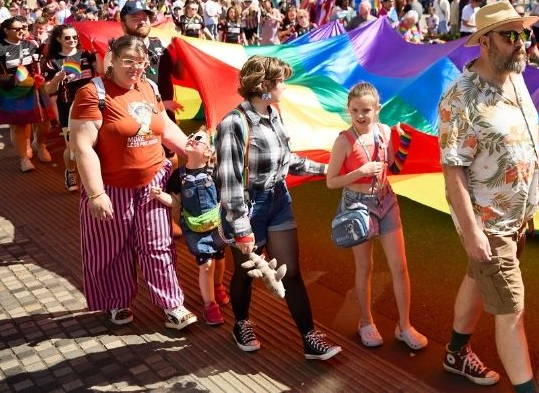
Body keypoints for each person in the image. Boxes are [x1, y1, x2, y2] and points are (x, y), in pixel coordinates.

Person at [438, 1, 539, 391]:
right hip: (489, 222)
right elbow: (454, 173)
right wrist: (474, 233)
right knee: (511, 310)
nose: (521, 43)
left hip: (519, 218)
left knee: (477, 282)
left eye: (524, 34)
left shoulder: (514, 78)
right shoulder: (460, 98)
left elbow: (521, 127)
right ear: (483, 41)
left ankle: (455, 353)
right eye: (509, 34)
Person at [215, 55, 341, 359]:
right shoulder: (233, 123)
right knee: (246, 273)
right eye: (281, 80)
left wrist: (328, 169)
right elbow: (229, 181)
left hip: (278, 200)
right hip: (246, 208)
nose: (285, 86)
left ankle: (310, 338)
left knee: (291, 271)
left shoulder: (274, 114)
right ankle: (242, 323)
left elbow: (289, 161)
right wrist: (242, 230)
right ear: (265, 85)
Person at [68, 35, 197, 330]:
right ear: (111, 59)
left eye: (142, 62)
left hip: (153, 181)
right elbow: (83, 147)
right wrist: (96, 193)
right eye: (129, 61)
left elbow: (165, 128)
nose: (136, 68)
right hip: (111, 186)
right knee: (111, 248)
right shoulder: (92, 93)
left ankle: (171, 303)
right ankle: (117, 301)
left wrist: (191, 151)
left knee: (158, 244)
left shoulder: (149, 88)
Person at [325, 82, 428, 351]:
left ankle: (404, 325)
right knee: (365, 267)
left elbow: (392, 166)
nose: (361, 115)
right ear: (348, 109)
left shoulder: (384, 132)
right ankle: (366, 322)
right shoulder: (343, 140)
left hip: (386, 200)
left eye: (366, 110)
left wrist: (404, 142)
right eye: (355, 110)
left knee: (400, 266)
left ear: (377, 110)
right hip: (356, 207)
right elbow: (331, 181)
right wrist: (360, 172)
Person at [151, 127, 230, 326]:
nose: (191, 139)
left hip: (216, 226)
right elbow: (176, 202)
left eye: (198, 139)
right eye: (191, 136)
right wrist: (162, 196)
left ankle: (218, 285)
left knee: (220, 259)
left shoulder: (216, 172)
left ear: (208, 152)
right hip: (194, 230)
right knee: (206, 265)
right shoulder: (179, 176)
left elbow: (225, 198)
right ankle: (210, 304)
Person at [0, 16, 48, 172]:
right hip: (11, 91)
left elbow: (51, 52)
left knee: (45, 122)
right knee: (18, 126)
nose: (22, 31)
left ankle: (39, 144)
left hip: (36, 88)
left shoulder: (33, 44)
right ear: (6, 30)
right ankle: (24, 158)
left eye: (24, 28)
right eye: (17, 28)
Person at [42, 23, 98, 192]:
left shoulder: (87, 55)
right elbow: (48, 89)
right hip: (67, 106)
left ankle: (92, 178)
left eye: (75, 37)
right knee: (72, 148)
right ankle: (71, 170)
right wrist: (57, 80)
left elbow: (102, 71)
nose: (72, 40)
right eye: (67, 37)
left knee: (94, 143)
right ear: (58, 39)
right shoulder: (53, 62)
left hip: (90, 105)